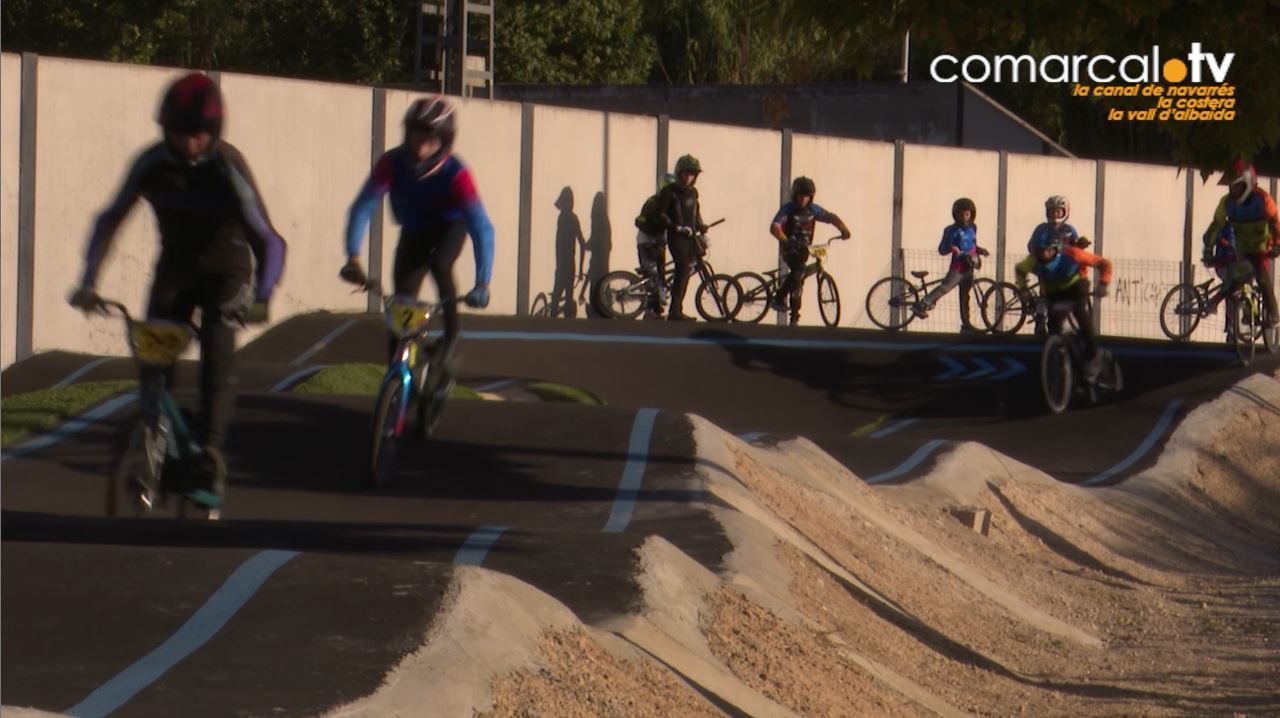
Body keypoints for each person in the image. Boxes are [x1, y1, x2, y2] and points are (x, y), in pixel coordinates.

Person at [69, 72, 287, 508]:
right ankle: (153, 428)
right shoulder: (151, 163)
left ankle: (210, 449)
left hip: (228, 270)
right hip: (176, 268)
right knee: (153, 354)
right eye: (178, 132)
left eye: (197, 133)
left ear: (214, 132)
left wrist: (263, 294)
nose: (187, 142)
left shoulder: (228, 166)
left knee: (218, 350)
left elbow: (269, 240)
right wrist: (89, 281)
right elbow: (109, 220)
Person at [340, 95, 494, 395]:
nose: (420, 146)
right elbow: (362, 207)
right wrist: (353, 257)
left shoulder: (456, 173)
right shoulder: (392, 163)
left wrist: (482, 281)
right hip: (415, 230)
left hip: (451, 225)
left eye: (430, 139)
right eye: (415, 136)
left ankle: (451, 337)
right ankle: (397, 383)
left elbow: (481, 226)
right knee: (401, 305)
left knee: (440, 264)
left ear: (444, 141)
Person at [1015, 232, 1112, 379]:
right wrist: (1023, 289)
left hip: (1076, 285)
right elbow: (1020, 270)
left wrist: (1103, 284)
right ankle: (1059, 359)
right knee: (1053, 327)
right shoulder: (1033, 261)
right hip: (1055, 291)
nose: (1045, 255)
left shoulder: (1072, 253)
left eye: (1048, 250)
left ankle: (1094, 356)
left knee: (1079, 312)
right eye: (1041, 251)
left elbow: (1103, 264)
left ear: (1056, 249)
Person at [1203, 158, 1280, 327]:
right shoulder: (1227, 203)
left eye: (1237, 185)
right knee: (1235, 279)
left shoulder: (1263, 199)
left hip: (1261, 249)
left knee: (1262, 277)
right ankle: (1224, 306)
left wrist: (1277, 244)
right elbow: (1216, 225)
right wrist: (1207, 250)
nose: (1233, 190)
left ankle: (1274, 315)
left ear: (1247, 184)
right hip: (1242, 249)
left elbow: (1275, 222)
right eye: (1231, 186)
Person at [769, 176, 851, 325]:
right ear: (795, 194)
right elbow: (775, 227)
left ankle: (794, 314)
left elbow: (831, 217)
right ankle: (779, 298)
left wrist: (843, 229)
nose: (803, 199)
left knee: (799, 280)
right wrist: (786, 240)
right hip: (790, 250)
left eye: (807, 196)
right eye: (801, 195)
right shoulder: (788, 209)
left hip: (804, 250)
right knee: (798, 272)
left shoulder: (813, 210)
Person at [911, 197, 988, 332]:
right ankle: (923, 303)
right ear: (955, 215)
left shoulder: (973, 228)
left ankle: (966, 324)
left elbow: (973, 245)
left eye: (967, 214)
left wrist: (980, 250)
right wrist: (951, 248)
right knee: (945, 287)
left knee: (965, 296)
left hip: (969, 267)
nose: (964, 217)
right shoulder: (951, 230)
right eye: (961, 214)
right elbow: (942, 249)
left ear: (971, 214)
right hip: (958, 267)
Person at [653, 154, 708, 321]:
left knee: (685, 272)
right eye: (686, 173)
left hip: (690, 238)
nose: (689, 177)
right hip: (676, 238)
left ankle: (677, 308)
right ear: (679, 173)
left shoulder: (693, 193)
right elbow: (660, 214)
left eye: (693, 174)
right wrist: (676, 227)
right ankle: (674, 311)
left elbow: (695, 213)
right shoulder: (669, 192)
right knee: (683, 268)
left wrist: (701, 227)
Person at [634, 173, 676, 319]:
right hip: (649, 243)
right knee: (652, 275)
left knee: (658, 275)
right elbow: (652, 221)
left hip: (653, 242)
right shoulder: (657, 202)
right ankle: (649, 310)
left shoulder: (655, 201)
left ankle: (656, 309)